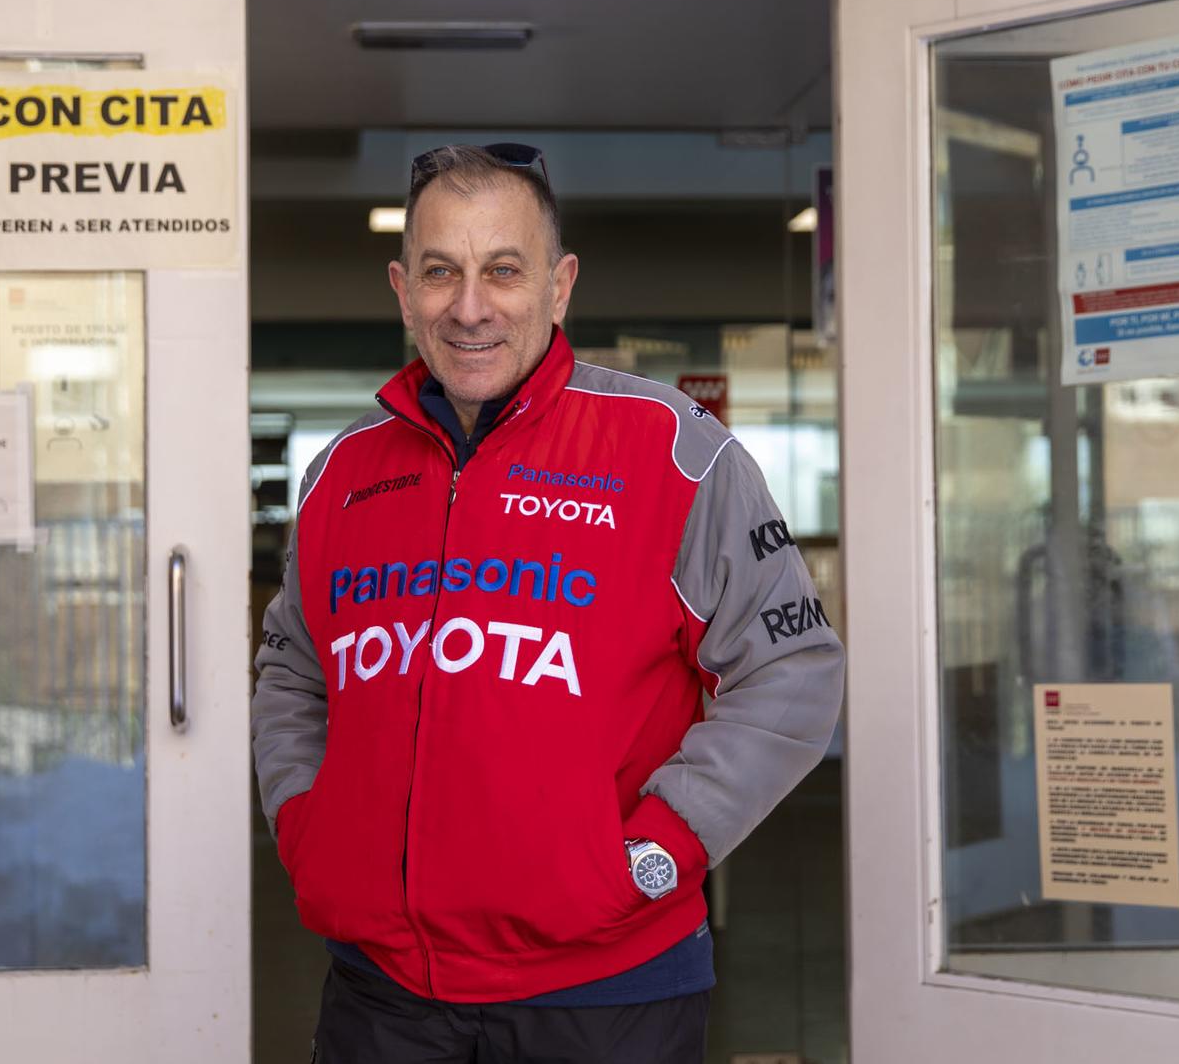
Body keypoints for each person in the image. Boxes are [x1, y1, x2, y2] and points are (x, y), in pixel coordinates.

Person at [250, 143, 845, 1063]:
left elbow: (791, 669)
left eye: (504, 270)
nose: (470, 305)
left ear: (560, 286)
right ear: (404, 290)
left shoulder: (672, 453)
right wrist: (305, 822)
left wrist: (657, 849)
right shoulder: (343, 473)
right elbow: (294, 666)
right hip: (383, 989)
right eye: (441, 272)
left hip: (605, 992)